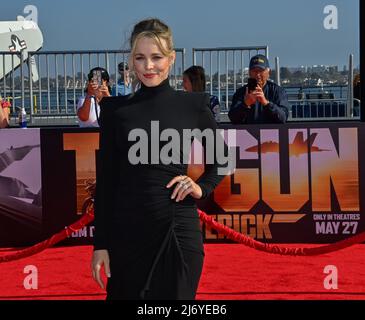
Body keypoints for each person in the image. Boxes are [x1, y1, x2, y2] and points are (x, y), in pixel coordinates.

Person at [91, 18, 226, 300]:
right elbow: (106, 184)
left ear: (171, 58)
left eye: (156, 57)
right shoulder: (115, 111)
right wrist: (100, 244)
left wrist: (201, 187)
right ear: (131, 60)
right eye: (140, 58)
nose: (148, 66)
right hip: (126, 237)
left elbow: (222, 158)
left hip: (177, 234)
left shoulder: (193, 105)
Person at [228, 54, 289, 124]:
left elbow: (283, 118)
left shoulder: (278, 91)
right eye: (254, 71)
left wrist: (266, 103)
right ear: (249, 73)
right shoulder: (241, 92)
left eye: (261, 70)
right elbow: (233, 119)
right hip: (247, 133)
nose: (257, 74)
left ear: (268, 72)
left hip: (271, 133)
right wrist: (245, 104)